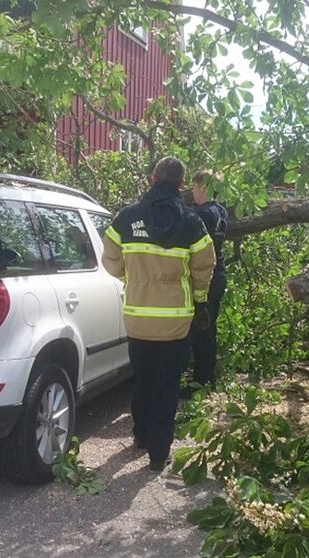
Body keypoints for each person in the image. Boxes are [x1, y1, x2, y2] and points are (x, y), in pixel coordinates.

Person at [102, 157, 216, 471]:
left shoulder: (127, 218)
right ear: (181, 185)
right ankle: (157, 453)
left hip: (138, 319)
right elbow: (205, 265)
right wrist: (201, 301)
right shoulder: (191, 221)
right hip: (176, 323)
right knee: (167, 386)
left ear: (152, 179)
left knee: (143, 381)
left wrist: (132, 276)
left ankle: (140, 435)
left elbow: (109, 259)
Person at [185, 172, 229, 389]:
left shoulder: (201, 215)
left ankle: (200, 380)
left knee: (200, 330)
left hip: (206, 277)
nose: (191, 192)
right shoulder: (220, 211)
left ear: (202, 187)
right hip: (218, 273)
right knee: (208, 328)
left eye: (193, 187)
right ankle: (207, 375)